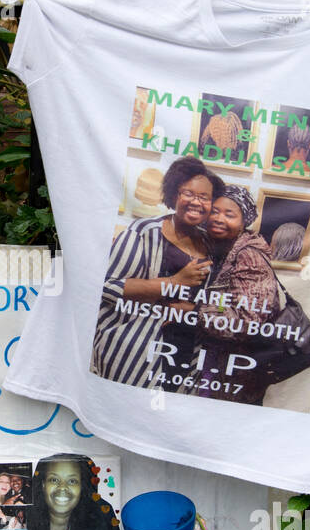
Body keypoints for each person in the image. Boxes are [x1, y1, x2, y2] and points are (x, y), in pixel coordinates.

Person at [91, 156, 220, 388]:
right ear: (173, 195)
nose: (196, 202)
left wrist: (193, 308)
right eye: (188, 193)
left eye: (204, 197)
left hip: (185, 354)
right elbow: (106, 286)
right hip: (133, 352)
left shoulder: (210, 245)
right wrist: (175, 282)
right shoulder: (143, 232)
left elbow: (215, 300)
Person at [193, 186, 283, 406]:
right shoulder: (223, 250)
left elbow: (247, 320)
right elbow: (226, 304)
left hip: (235, 372)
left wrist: (194, 312)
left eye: (229, 214)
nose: (218, 218)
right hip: (218, 364)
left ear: (245, 221)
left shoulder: (249, 256)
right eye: (214, 211)